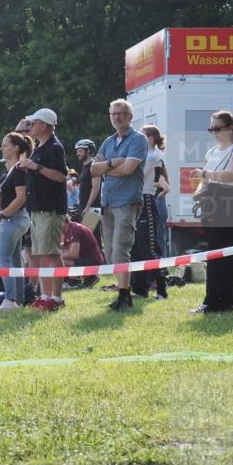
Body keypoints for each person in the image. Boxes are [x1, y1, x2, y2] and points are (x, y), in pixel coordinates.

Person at [92, 99, 147, 311]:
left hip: (127, 201)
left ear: (130, 117)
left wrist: (106, 167)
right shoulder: (108, 141)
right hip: (108, 202)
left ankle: (125, 296)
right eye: (113, 113)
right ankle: (123, 293)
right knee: (110, 253)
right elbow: (93, 170)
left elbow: (128, 170)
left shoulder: (138, 139)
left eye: (121, 113)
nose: (117, 117)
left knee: (121, 249)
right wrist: (111, 163)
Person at [18, 108, 69, 311]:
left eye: (35, 123)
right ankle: (46, 295)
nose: (31, 126)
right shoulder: (39, 147)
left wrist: (35, 167)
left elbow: (61, 176)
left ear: (45, 125)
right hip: (38, 208)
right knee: (39, 255)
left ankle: (56, 298)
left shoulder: (55, 148)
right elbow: (20, 132)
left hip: (50, 208)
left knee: (51, 254)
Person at [190, 110, 233, 314]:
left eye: (217, 128)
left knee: (221, 253)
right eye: (211, 128)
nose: (214, 132)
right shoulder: (211, 152)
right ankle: (223, 300)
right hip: (213, 204)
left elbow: (231, 175)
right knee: (216, 252)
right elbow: (203, 180)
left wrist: (205, 174)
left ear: (230, 128)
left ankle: (215, 301)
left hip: (230, 202)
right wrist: (199, 193)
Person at [0, 132, 34, 309]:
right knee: (14, 260)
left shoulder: (18, 169)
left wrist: (5, 212)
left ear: (16, 148)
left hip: (14, 218)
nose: (1, 148)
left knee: (1, 257)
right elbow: (15, 192)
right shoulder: (14, 169)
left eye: (5, 145)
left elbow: (22, 196)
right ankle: (18, 299)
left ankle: (10, 299)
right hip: (19, 219)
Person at [131, 125, 170, 299]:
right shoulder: (147, 155)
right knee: (136, 249)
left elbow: (135, 174)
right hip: (138, 202)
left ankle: (161, 290)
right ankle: (140, 289)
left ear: (151, 138)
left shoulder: (153, 156)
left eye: (143, 135)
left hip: (147, 201)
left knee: (150, 249)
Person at [60, 215, 104, 283]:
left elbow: (74, 254)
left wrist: (57, 256)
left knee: (60, 261)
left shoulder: (74, 230)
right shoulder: (70, 228)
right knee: (62, 254)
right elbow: (65, 247)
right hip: (88, 259)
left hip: (93, 262)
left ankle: (75, 281)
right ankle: (81, 278)